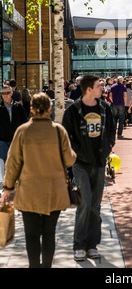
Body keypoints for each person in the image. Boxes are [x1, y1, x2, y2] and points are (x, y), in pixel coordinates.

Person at [1, 93, 76, 268]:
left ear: (31, 109)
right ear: (49, 109)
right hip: (55, 191)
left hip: (29, 191)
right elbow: (70, 160)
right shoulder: (59, 131)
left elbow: (12, 163)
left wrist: (7, 189)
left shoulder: (23, 131)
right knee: (49, 233)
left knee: (32, 234)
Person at [62, 74, 116, 261]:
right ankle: (79, 245)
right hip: (81, 164)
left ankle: (92, 244)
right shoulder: (74, 110)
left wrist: (108, 147)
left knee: (95, 205)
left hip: (99, 163)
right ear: (88, 89)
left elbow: (111, 130)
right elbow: (66, 135)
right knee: (84, 203)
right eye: (98, 86)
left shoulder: (103, 107)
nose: (102, 88)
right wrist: (77, 153)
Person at [0, 85, 28, 166]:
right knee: (5, 164)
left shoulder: (18, 106)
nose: (5, 95)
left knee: (17, 163)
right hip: (2, 141)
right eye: (3, 93)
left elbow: (24, 121)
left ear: (11, 93)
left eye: (7, 93)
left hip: (16, 140)